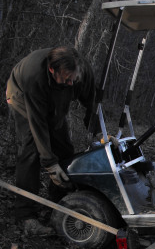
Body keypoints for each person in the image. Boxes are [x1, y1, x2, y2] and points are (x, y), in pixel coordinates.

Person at [6, 46, 96, 236]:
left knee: (64, 149)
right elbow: (38, 123)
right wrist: (50, 164)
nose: (72, 83)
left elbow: (92, 103)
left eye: (74, 79)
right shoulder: (34, 76)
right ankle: (25, 215)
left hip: (55, 102)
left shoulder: (81, 71)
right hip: (23, 98)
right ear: (52, 69)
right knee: (31, 150)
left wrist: (96, 130)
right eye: (66, 79)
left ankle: (59, 201)